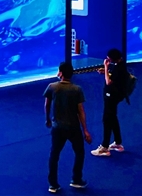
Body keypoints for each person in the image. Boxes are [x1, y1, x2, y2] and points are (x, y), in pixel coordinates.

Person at [44, 62, 92, 193]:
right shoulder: (77, 89)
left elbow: (47, 105)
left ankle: (53, 184)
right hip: (73, 127)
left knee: (54, 154)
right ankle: (76, 179)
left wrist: (47, 119)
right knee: (79, 152)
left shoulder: (52, 87)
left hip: (57, 127)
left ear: (60, 73)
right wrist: (85, 130)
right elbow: (81, 111)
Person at [91, 48, 128, 157]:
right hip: (114, 96)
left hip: (112, 97)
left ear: (113, 58)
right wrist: (105, 71)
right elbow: (113, 76)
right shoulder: (119, 65)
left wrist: (106, 68)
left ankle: (104, 147)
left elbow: (108, 82)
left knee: (107, 120)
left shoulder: (119, 68)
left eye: (109, 58)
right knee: (113, 118)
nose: (107, 59)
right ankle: (118, 142)